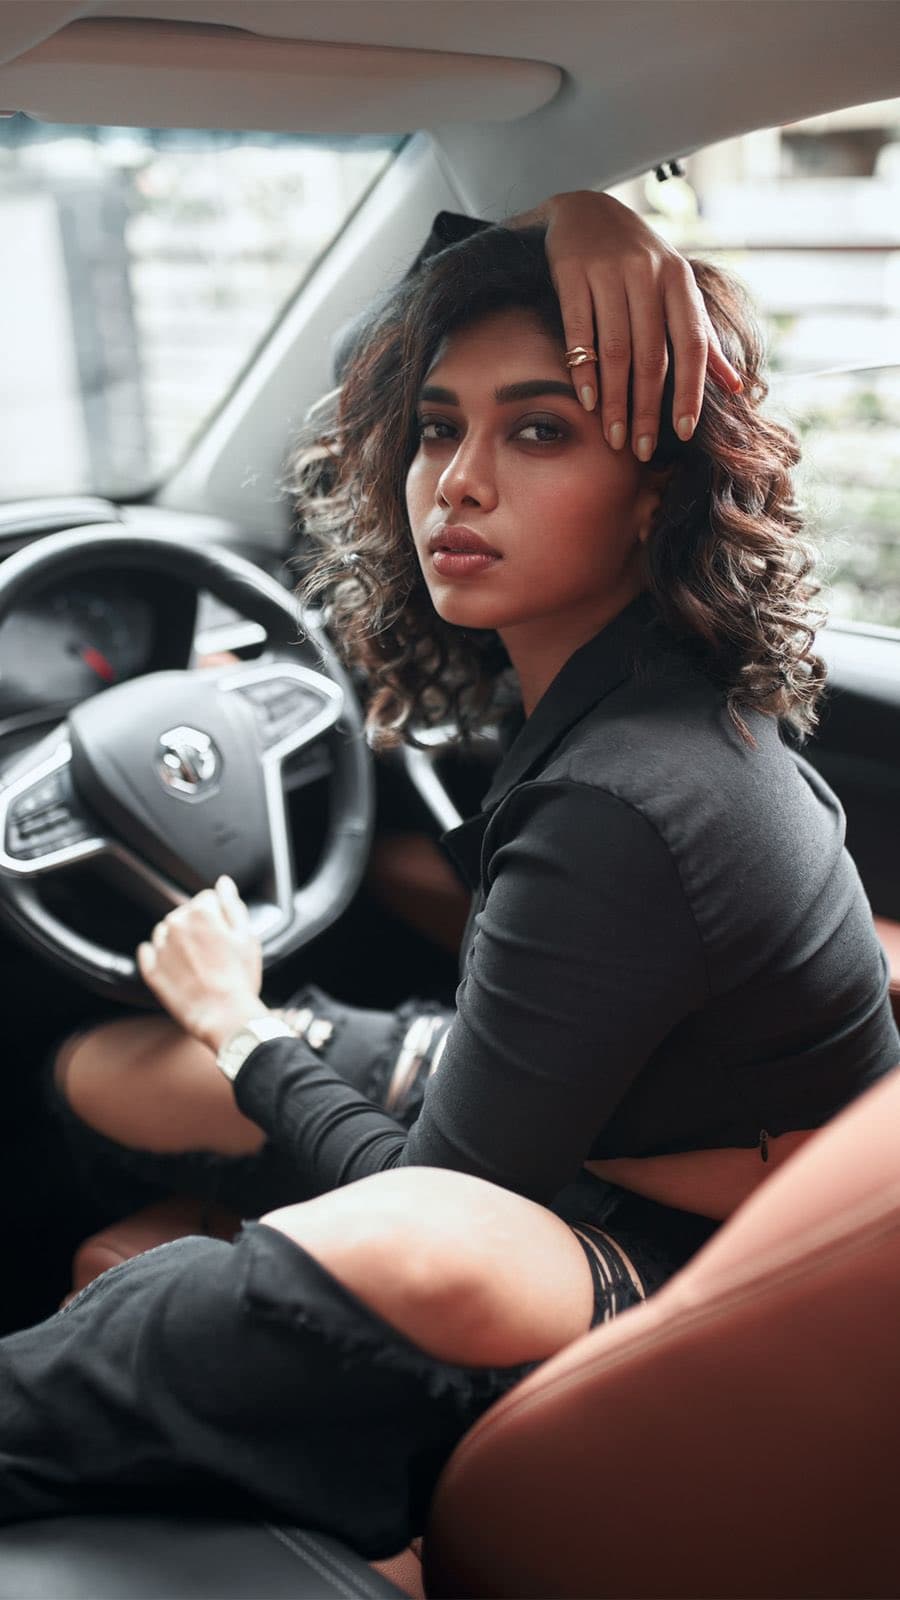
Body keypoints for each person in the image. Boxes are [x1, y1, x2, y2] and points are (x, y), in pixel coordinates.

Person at [2, 197, 896, 1548]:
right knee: (103, 1071)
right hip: (616, 1149)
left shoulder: (622, 798)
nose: (456, 483)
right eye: (436, 429)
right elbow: (376, 338)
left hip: (669, 1269)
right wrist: (572, 210)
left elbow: (428, 1190)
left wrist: (242, 1021)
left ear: (658, 491)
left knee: (179, 1177)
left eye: (539, 432)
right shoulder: (650, 690)